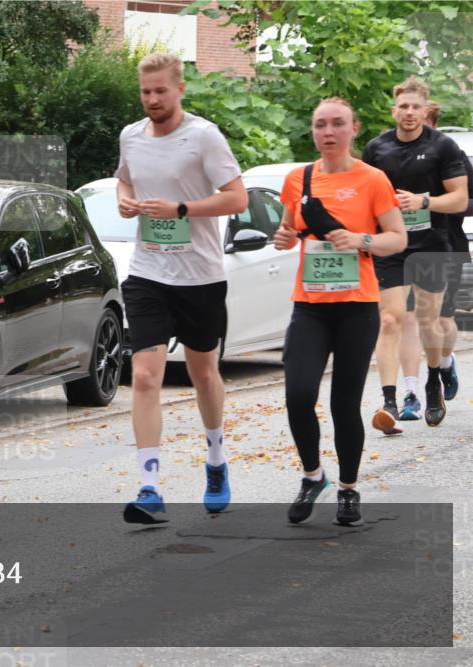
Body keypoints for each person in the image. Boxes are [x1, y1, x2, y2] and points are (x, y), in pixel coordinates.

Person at [116, 53, 248, 525]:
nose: (152, 100)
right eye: (145, 92)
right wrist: (126, 204)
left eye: (160, 92)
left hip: (200, 277)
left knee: (204, 375)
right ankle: (150, 485)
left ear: (179, 89)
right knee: (146, 376)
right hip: (148, 272)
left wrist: (182, 210)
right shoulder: (130, 135)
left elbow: (238, 197)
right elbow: (124, 179)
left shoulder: (204, 136)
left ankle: (215, 460)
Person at [274, 97, 407, 526]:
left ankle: (348, 489)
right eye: (320, 125)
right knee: (298, 395)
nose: (328, 132)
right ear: (313, 132)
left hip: (357, 307)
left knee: (343, 405)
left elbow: (397, 238)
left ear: (354, 129)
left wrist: (361, 241)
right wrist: (283, 238)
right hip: (310, 307)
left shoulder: (373, 179)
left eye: (337, 124)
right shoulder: (298, 179)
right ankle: (313, 476)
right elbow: (290, 229)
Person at [362, 78, 469, 432]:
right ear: (394, 110)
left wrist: (423, 201)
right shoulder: (377, 149)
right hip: (391, 245)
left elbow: (458, 199)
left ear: (426, 110)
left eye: (415, 107)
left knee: (429, 322)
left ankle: (433, 382)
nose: (409, 113)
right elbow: (365, 196)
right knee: (391, 320)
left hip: (432, 245)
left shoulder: (444, 147)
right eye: (403, 107)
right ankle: (390, 401)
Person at [395, 101, 473, 415]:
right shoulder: (395, 156)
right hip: (406, 247)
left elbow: (469, 202)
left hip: (448, 245)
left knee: (442, 320)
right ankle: (411, 393)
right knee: (409, 319)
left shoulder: (452, 155)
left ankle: (445, 361)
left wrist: (431, 203)